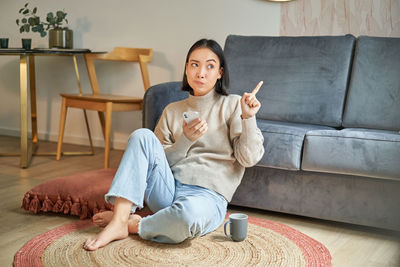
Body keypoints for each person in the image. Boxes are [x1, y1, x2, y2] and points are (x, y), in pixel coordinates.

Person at [84, 39, 264, 251]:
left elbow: (249, 159)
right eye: (194, 64)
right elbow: (157, 163)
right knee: (142, 136)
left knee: (186, 217)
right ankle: (119, 220)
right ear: (186, 69)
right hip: (167, 190)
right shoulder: (172, 110)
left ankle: (133, 224)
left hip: (207, 198)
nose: (201, 73)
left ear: (220, 73)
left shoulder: (234, 105)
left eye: (210, 66)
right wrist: (185, 141)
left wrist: (248, 117)